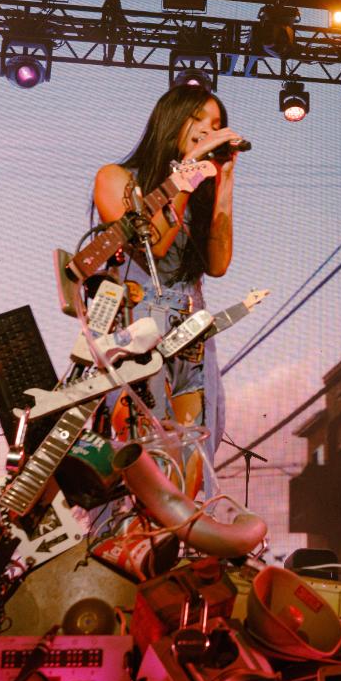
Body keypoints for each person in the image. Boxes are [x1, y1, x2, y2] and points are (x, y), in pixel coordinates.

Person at [93, 83, 246, 491]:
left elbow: (218, 265)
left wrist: (225, 181)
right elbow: (152, 246)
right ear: (171, 120)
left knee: (194, 460)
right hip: (139, 331)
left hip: (192, 336)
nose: (208, 130)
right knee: (146, 458)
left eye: (216, 124)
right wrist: (187, 173)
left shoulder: (193, 194)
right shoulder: (116, 178)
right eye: (198, 119)